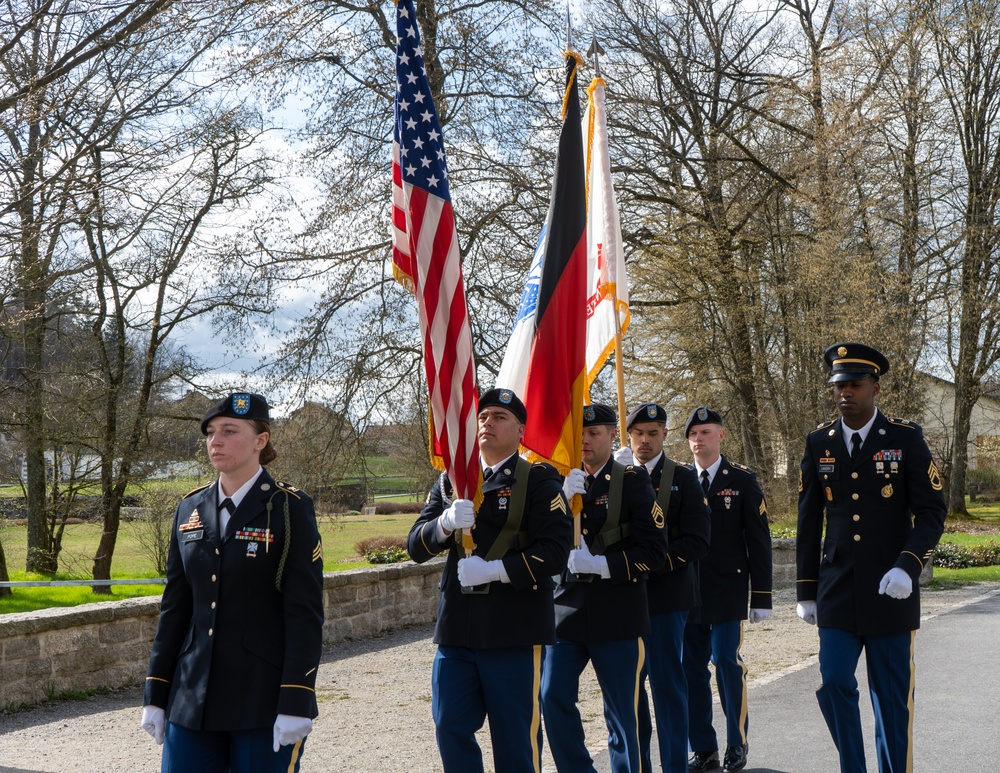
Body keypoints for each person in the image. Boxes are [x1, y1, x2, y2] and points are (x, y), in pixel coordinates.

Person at [140, 392, 325, 773]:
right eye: (210, 432)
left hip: (261, 700)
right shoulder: (189, 508)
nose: (215, 441)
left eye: (228, 431)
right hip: (191, 700)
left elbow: (305, 613)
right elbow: (176, 606)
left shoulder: (289, 509)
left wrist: (296, 699)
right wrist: (156, 693)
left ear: (261, 440)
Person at [797, 343, 946, 773]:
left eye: (855, 385)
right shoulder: (818, 441)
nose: (845, 393)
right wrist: (806, 591)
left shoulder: (905, 437)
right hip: (838, 589)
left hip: (890, 590)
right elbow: (809, 522)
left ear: (875, 387)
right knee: (835, 682)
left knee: (892, 699)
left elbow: (932, 511)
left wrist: (909, 564)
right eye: (839, 385)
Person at [406, 388, 571, 773]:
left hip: (513, 629)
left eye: (499, 417)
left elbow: (556, 552)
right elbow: (415, 545)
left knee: (515, 741)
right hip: (457, 629)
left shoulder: (538, 480)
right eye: (483, 417)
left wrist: (498, 570)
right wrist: (444, 523)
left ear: (520, 430)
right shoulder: (452, 482)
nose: (487, 423)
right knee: (449, 726)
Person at [541, 403, 667, 773]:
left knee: (623, 713)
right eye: (579, 434)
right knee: (552, 696)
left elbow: (654, 553)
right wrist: (560, 502)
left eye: (594, 433)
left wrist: (603, 565)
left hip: (618, 613)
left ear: (613, 435)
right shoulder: (556, 483)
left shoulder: (632, 480)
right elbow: (538, 542)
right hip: (567, 612)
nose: (585, 441)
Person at [614, 403, 711, 773]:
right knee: (629, 692)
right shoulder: (616, 476)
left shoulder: (683, 477)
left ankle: (674, 766)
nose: (644, 440)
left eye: (652, 433)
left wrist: (656, 560)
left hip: (667, 597)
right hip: (624, 599)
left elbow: (698, 540)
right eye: (638, 433)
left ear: (665, 435)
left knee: (668, 688)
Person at [683, 407, 772, 773]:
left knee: (725, 663)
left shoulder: (742, 480)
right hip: (687, 593)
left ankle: (737, 742)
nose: (699, 439)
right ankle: (704, 749)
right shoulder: (679, 480)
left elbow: (759, 540)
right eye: (694, 434)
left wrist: (762, 597)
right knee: (690, 670)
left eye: (706, 432)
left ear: (721, 436)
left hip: (727, 589)